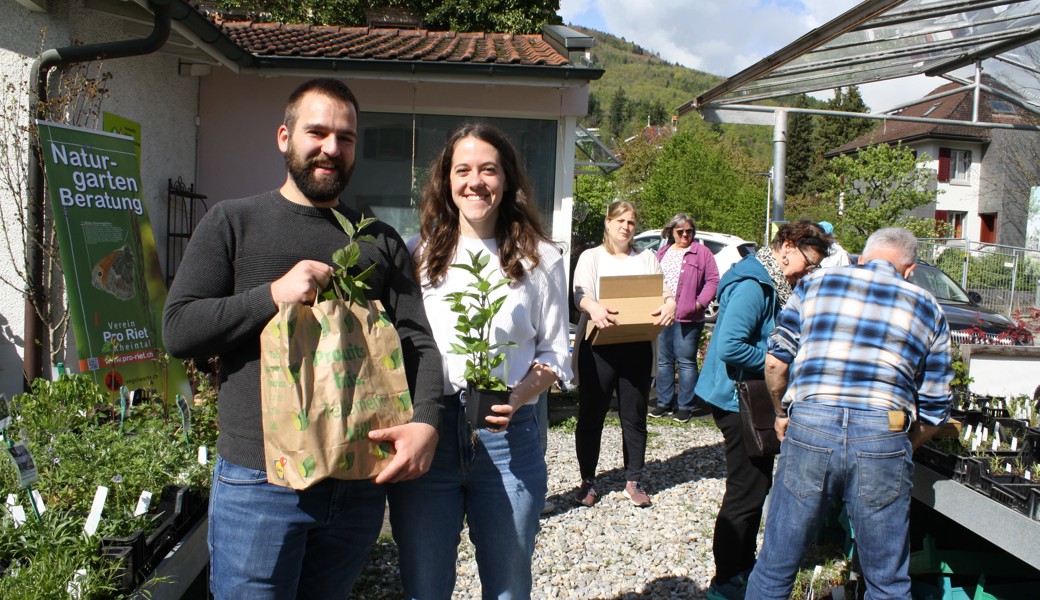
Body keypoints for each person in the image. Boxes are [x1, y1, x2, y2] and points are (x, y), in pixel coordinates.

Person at [162, 78, 444, 599]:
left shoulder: (378, 240)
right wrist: (272, 294)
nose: (331, 149)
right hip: (259, 483)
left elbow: (417, 342)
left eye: (346, 137)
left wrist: (427, 421)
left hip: (356, 480)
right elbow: (180, 329)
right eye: (317, 132)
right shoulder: (234, 222)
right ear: (284, 137)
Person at [386, 122, 571, 599]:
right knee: (425, 585)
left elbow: (554, 353)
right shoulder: (420, 255)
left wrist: (518, 395)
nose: (475, 182)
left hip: (509, 437)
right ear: (446, 181)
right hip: (431, 433)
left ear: (506, 179)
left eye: (488, 170)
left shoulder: (541, 258)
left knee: (508, 586)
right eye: (462, 170)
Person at [746, 227, 953, 599]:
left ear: (864, 257)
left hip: (811, 421)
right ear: (910, 270)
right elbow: (936, 407)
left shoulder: (816, 284)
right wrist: (901, 445)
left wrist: (781, 413)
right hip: (884, 429)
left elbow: (776, 362)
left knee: (776, 566)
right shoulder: (928, 306)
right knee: (887, 582)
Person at [692, 220, 830, 600]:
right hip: (736, 399)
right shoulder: (755, 285)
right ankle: (725, 581)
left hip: (746, 395)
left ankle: (741, 566)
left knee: (754, 487)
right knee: (746, 492)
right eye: (807, 261)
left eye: (814, 266)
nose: (807, 271)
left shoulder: (776, 281)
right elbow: (731, 347)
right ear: (787, 245)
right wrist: (781, 361)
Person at [572, 200, 676, 508]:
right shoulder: (591, 257)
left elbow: (664, 292)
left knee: (634, 416)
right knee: (592, 415)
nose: (625, 227)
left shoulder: (646, 258)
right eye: (619, 221)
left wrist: (670, 304)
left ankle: (634, 479)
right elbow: (581, 293)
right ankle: (588, 481)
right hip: (598, 346)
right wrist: (593, 308)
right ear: (607, 222)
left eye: (631, 222)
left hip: (637, 344)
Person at [649, 214, 719, 422]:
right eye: (680, 231)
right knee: (663, 362)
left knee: (686, 362)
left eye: (689, 231)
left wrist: (698, 304)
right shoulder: (662, 253)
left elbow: (713, 280)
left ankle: (685, 406)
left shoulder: (702, 253)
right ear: (672, 232)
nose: (685, 235)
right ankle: (664, 403)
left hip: (689, 318)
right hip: (664, 316)